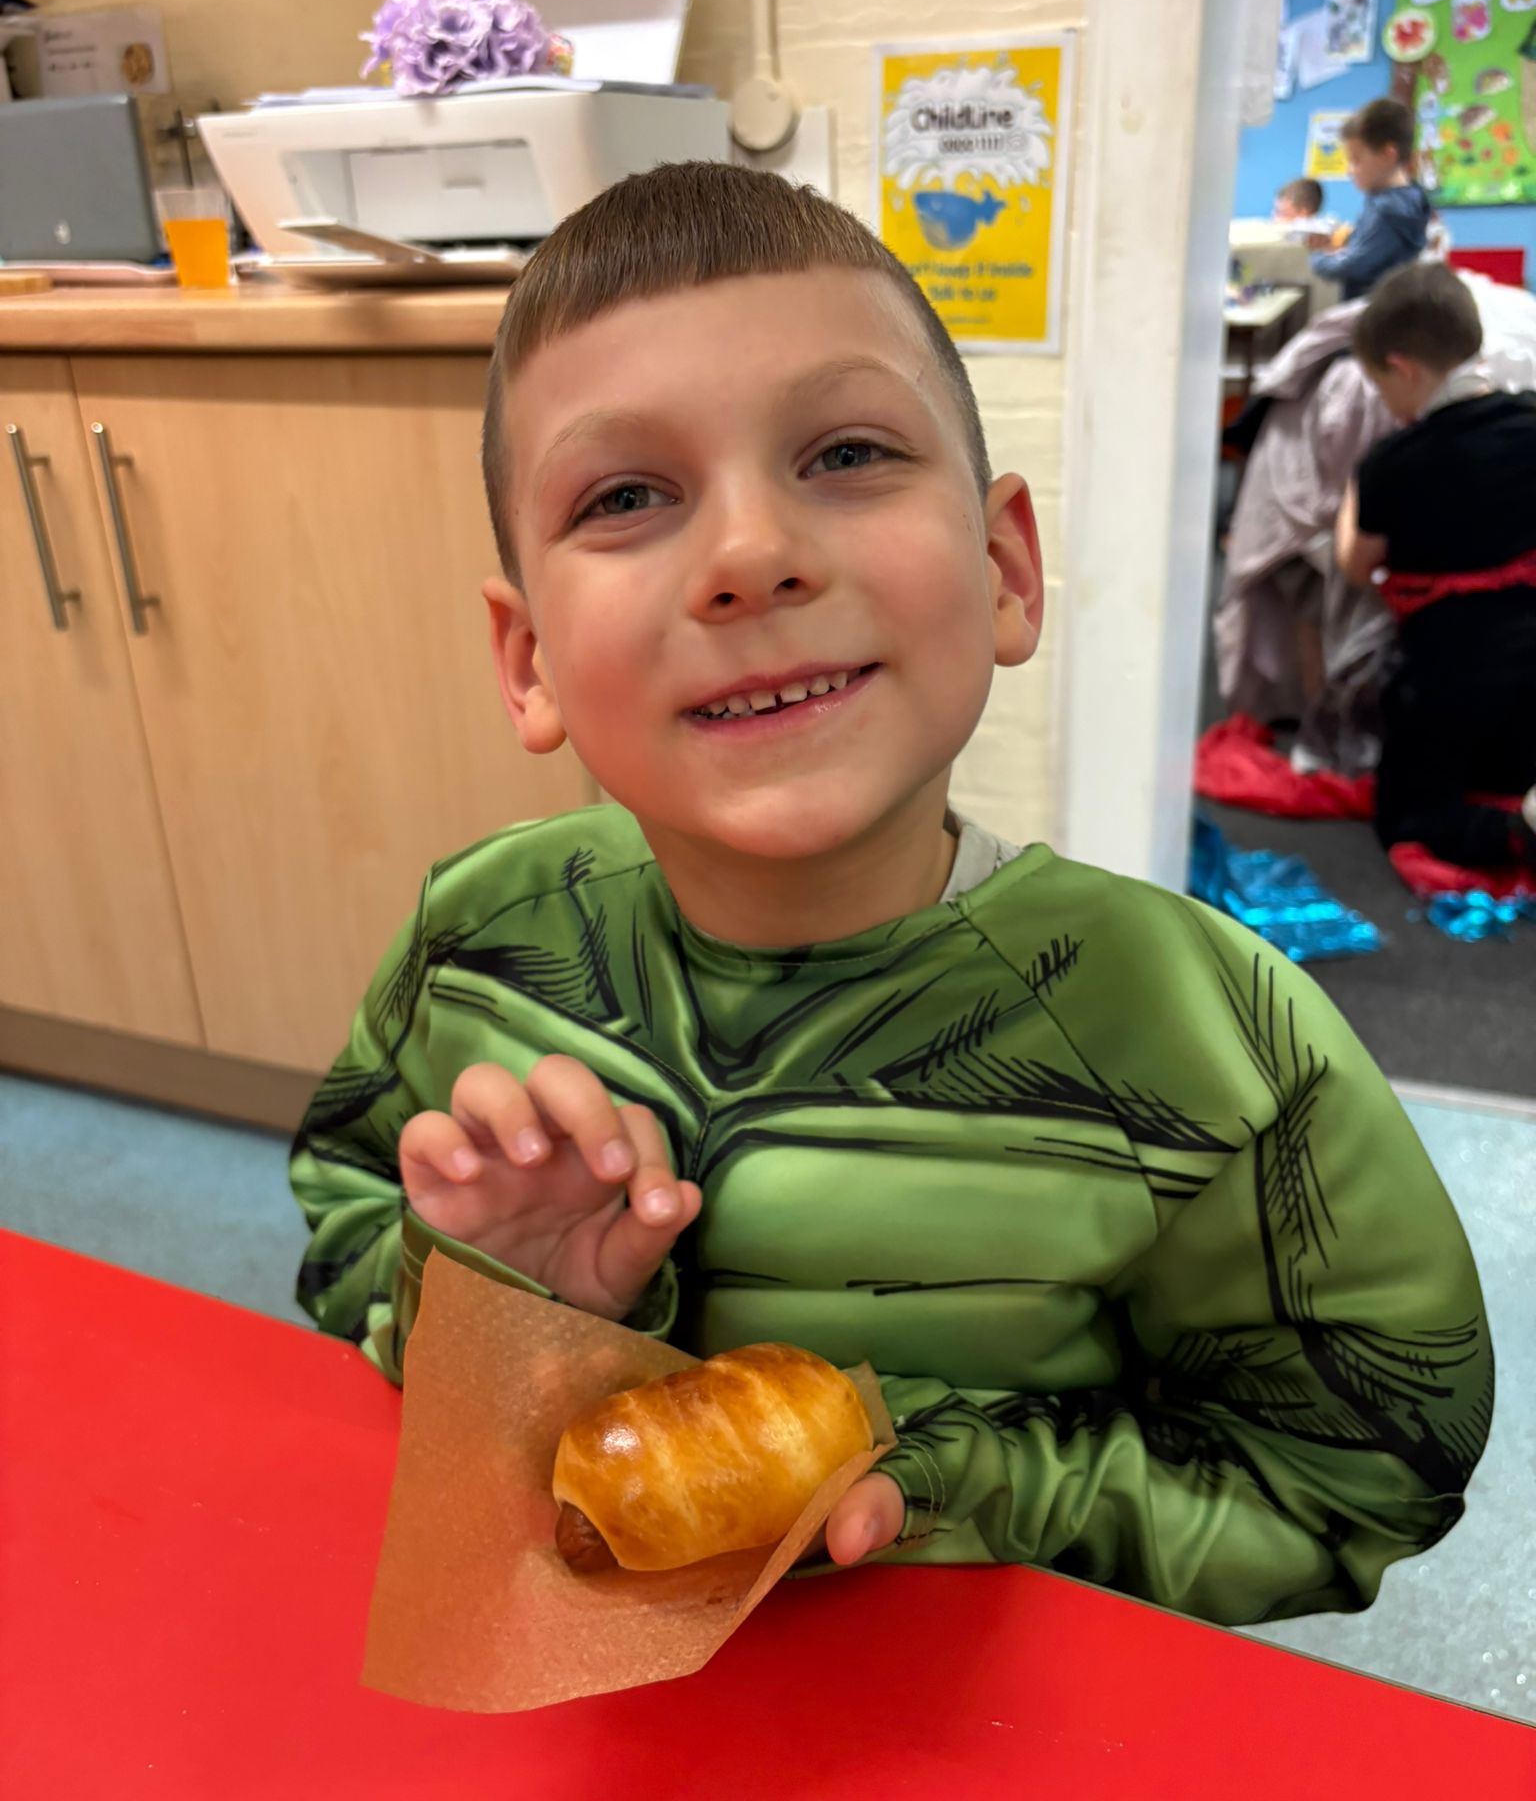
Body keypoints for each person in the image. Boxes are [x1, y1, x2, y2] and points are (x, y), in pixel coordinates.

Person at [291, 163, 1490, 1627]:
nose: (749, 557)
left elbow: (1357, 1466)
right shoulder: (478, 936)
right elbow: (345, 1216)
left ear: (1002, 568)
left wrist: (952, 1478)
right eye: (624, 494)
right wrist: (506, 1310)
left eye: (845, 454)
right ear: (528, 660)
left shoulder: (1213, 1043)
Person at [1341, 262, 1536, 869]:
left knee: (1407, 817)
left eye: (1379, 387)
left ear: (1401, 367)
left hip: (1450, 676)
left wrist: (1356, 488)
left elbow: (1355, 566)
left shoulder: (1395, 462)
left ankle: (1519, 832)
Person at [1310, 99, 1431, 299]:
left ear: (1388, 155)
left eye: (1356, 160)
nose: (1350, 170)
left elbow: (1353, 266)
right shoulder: (1409, 197)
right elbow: (1374, 246)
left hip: (1376, 313)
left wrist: (1318, 258)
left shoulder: (1389, 210)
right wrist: (1343, 241)